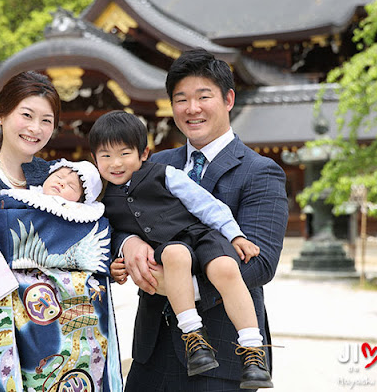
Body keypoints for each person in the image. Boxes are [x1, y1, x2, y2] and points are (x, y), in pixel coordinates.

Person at [0, 71, 123, 392]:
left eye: (46, 120)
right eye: (27, 115)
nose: (36, 128)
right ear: (2, 115)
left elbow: (89, 230)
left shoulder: (58, 178)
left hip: (50, 326)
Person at [117, 48, 289, 391]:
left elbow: (261, 263)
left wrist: (181, 288)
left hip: (224, 354)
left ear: (228, 99)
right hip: (151, 350)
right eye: (181, 99)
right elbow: (118, 214)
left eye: (203, 96)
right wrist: (129, 241)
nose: (191, 109)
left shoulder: (260, 172)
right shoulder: (155, 164)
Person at [89, 111, 272, 388]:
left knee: (226, 268)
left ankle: (253, 350)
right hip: (169, 247)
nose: (115, 163)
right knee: (176, 255)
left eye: (124, 153)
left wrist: (235, 236)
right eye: (105, 156)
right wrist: (120, 255)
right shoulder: (100, 196)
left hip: (201, 236)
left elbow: (205, 204)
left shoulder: (164, 173)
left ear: (144, 153)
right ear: (94, 159)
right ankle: (194, 337)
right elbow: (109, 233)